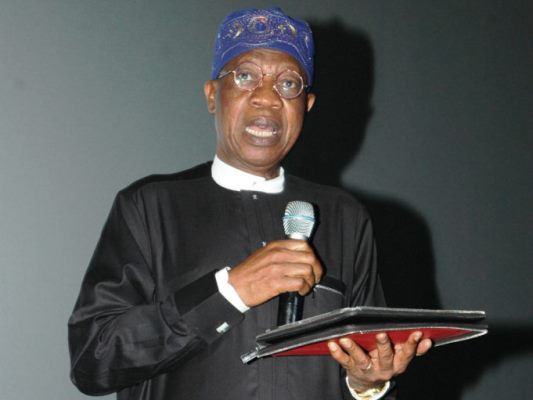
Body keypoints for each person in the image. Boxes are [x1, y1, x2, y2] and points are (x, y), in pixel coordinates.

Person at [68, 7, 431, 400]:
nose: (267, 98)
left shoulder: (345, 218)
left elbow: (367, 362)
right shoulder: (149, 207)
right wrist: (230, 292)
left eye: (288, 84)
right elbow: (93, 362)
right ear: (213, 95)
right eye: (245, 77)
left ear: (306, 106)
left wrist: (367, 384)